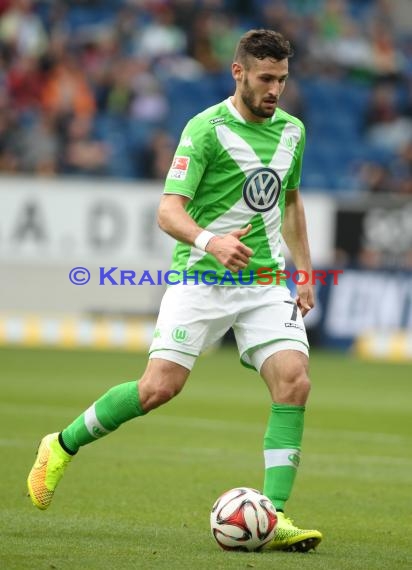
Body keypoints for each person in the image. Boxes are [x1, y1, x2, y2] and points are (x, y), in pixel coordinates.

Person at [27, 29, 322, 553]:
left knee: (294, 382)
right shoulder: (205, 130)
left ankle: (273, 517)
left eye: (282, 78)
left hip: (263, 281)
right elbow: (167, 211)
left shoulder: (293, 131)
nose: (275, 89)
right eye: (265, 78)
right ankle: (61, 444)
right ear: (239, 72)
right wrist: (211, 243)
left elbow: (291, 202)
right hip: (202, 276)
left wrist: (303, 269)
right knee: (158, 388)